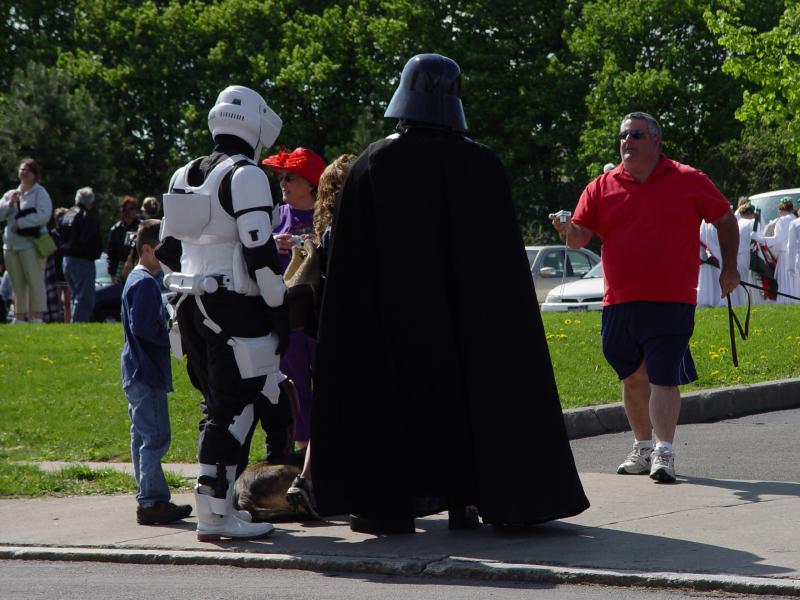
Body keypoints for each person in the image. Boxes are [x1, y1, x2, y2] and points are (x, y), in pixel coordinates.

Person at [311, 53, 589, 534]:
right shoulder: (481, 165)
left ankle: (387, 503)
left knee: (392, 404)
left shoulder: (375, 162)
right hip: (470, 322)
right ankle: (468, 499)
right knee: (472, 400)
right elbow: (502, 266)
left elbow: (351, 266)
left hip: (392, 321)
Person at [551, 111, 740, 484]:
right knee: (632, 376)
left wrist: (730, 267)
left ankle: (664, 451)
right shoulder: (601, 187)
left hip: (672, 298)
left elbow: (724, 219)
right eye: (623, 136)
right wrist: (565, 229)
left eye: (635, 134)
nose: (627, 142)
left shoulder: (688, 179)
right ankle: (642, 446)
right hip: (619, 301)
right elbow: (579, 238)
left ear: (655, 140)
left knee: (663, 375)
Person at [157, 84, 287, 541]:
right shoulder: (247, 175)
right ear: (252, 123)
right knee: (232, 410)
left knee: (221, 407)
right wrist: (278, 305)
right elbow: (260, 250)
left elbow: (169, 250)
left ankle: (220, 503)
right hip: (233, 307)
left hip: (190, 306)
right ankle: (214, 514)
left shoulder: (183, 174)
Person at [285, 153, 355, 520]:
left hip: (316, 326)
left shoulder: (323, 229)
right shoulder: (349, 227)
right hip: (345, 330)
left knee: (324, 405)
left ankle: (309, 478)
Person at [121, 219, 192, 525]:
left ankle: (149, 496)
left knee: (142, 437)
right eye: (161, 252)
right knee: (155, 437)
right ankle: (151, 501)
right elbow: (144, 327)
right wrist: (174, 334)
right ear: (147, 250)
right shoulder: (145, 283)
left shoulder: (136, 280)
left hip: (135, 370)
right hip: (146, 371)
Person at [261, 147, 326, 455]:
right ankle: (300, 452)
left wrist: (312, 244)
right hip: (288, 317)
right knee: (294, 384)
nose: (282, 183)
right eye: (281, 178)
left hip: (320, 314)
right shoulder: (275, 216)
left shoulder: (325, 215)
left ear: (310, 183)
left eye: (290, 178)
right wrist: (271, 245)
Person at [0, 158, 52, 324]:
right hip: (11, 245)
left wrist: (21, 223)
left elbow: (44, 214)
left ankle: (37, 316)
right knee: (17, 282)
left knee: (34, 279)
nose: (23, 172)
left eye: (27, 170)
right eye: (22, 169)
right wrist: (10, 203)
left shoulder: (40, 193)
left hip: (30, 243)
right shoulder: (10, 194)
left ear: (34, 175)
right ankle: (19, 316)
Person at [59, 187, 103, 322]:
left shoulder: (68, 214)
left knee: (75, 296)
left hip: (66, 259)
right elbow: (88, 239)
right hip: (82, 260)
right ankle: (78, 324)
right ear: (90, 201)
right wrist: (96, 252)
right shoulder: (85, 216)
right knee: (85, 299)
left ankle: (74, 322)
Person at [751, 198, 797, 304]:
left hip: (785, 256)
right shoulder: (795, 218)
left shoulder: (782, 220)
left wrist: (759, 238)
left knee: (785, 283)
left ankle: (786, 302)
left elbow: (778, 238)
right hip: (796, 256)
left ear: (781, 210)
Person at [107, 195, 141, 284]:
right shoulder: (116, 229)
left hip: (138, 264)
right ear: (124, 210)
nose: (134, 211)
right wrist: (112, 273)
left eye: (135, 208)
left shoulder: (141, 227)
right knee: (121, 293)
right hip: (121, 265)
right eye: (131, 208)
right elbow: (111, 254)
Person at [697, 220, 722, 307]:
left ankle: (707, 300)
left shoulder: (703, 222)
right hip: (714, 254)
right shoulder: (717, 220)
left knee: (707, 279)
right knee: (714, 279)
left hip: (706, 253)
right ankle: (716, 300)